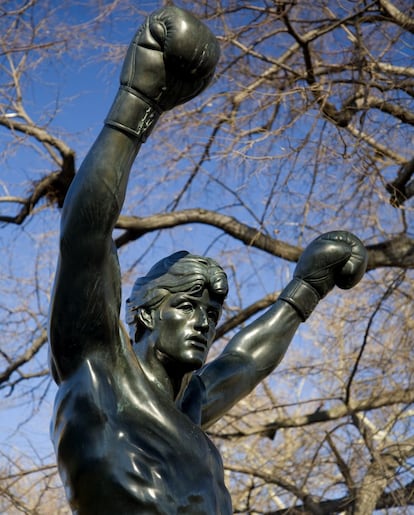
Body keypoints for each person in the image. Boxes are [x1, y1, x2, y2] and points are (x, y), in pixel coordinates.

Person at [48, 6, 368, 515]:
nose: (203, 323)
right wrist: (137, 103)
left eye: (211, 314)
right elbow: (86, 234)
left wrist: (309, 287)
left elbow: (245, 361)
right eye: (188, 306)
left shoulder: (189, 408)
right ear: (149, 312)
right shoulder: (98, 368)